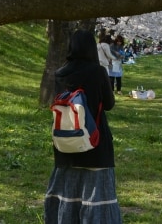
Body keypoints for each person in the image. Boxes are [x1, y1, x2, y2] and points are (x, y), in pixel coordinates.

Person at [44, 30, 121, 223]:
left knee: (68, 187)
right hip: (94, 140)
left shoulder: (60, 73)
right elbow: (109, 105)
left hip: (66, 139)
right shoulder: (98, 72)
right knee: (96, 191)